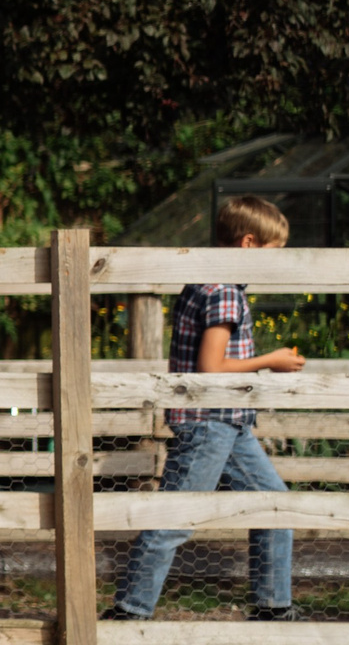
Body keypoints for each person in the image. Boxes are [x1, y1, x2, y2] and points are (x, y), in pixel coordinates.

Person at [105, 195, 307, 622]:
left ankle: (274, 606)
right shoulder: (225, 291)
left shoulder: (203, 280)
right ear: (249, 244)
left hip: (228, 423)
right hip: (210, 421)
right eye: (272, 254)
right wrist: (272, 360)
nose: (275, 265)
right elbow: (211, 367)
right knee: (177, 515)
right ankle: (130, 610)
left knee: (273, 501)